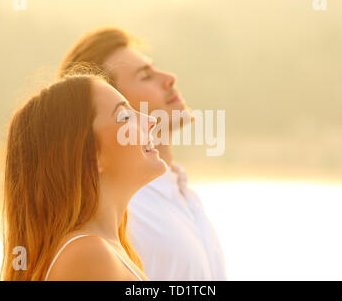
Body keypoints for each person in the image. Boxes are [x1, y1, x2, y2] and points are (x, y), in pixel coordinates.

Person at [59, 28, 226, 280]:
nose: (169, 78)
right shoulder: (120, 212)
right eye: (145, 76)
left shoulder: (185, 195)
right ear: (113, 100)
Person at [1, 74, 166, 280]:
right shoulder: (89, 255)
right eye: (124, 116)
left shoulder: (105, 250)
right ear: (89, 155)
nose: (151, 120)